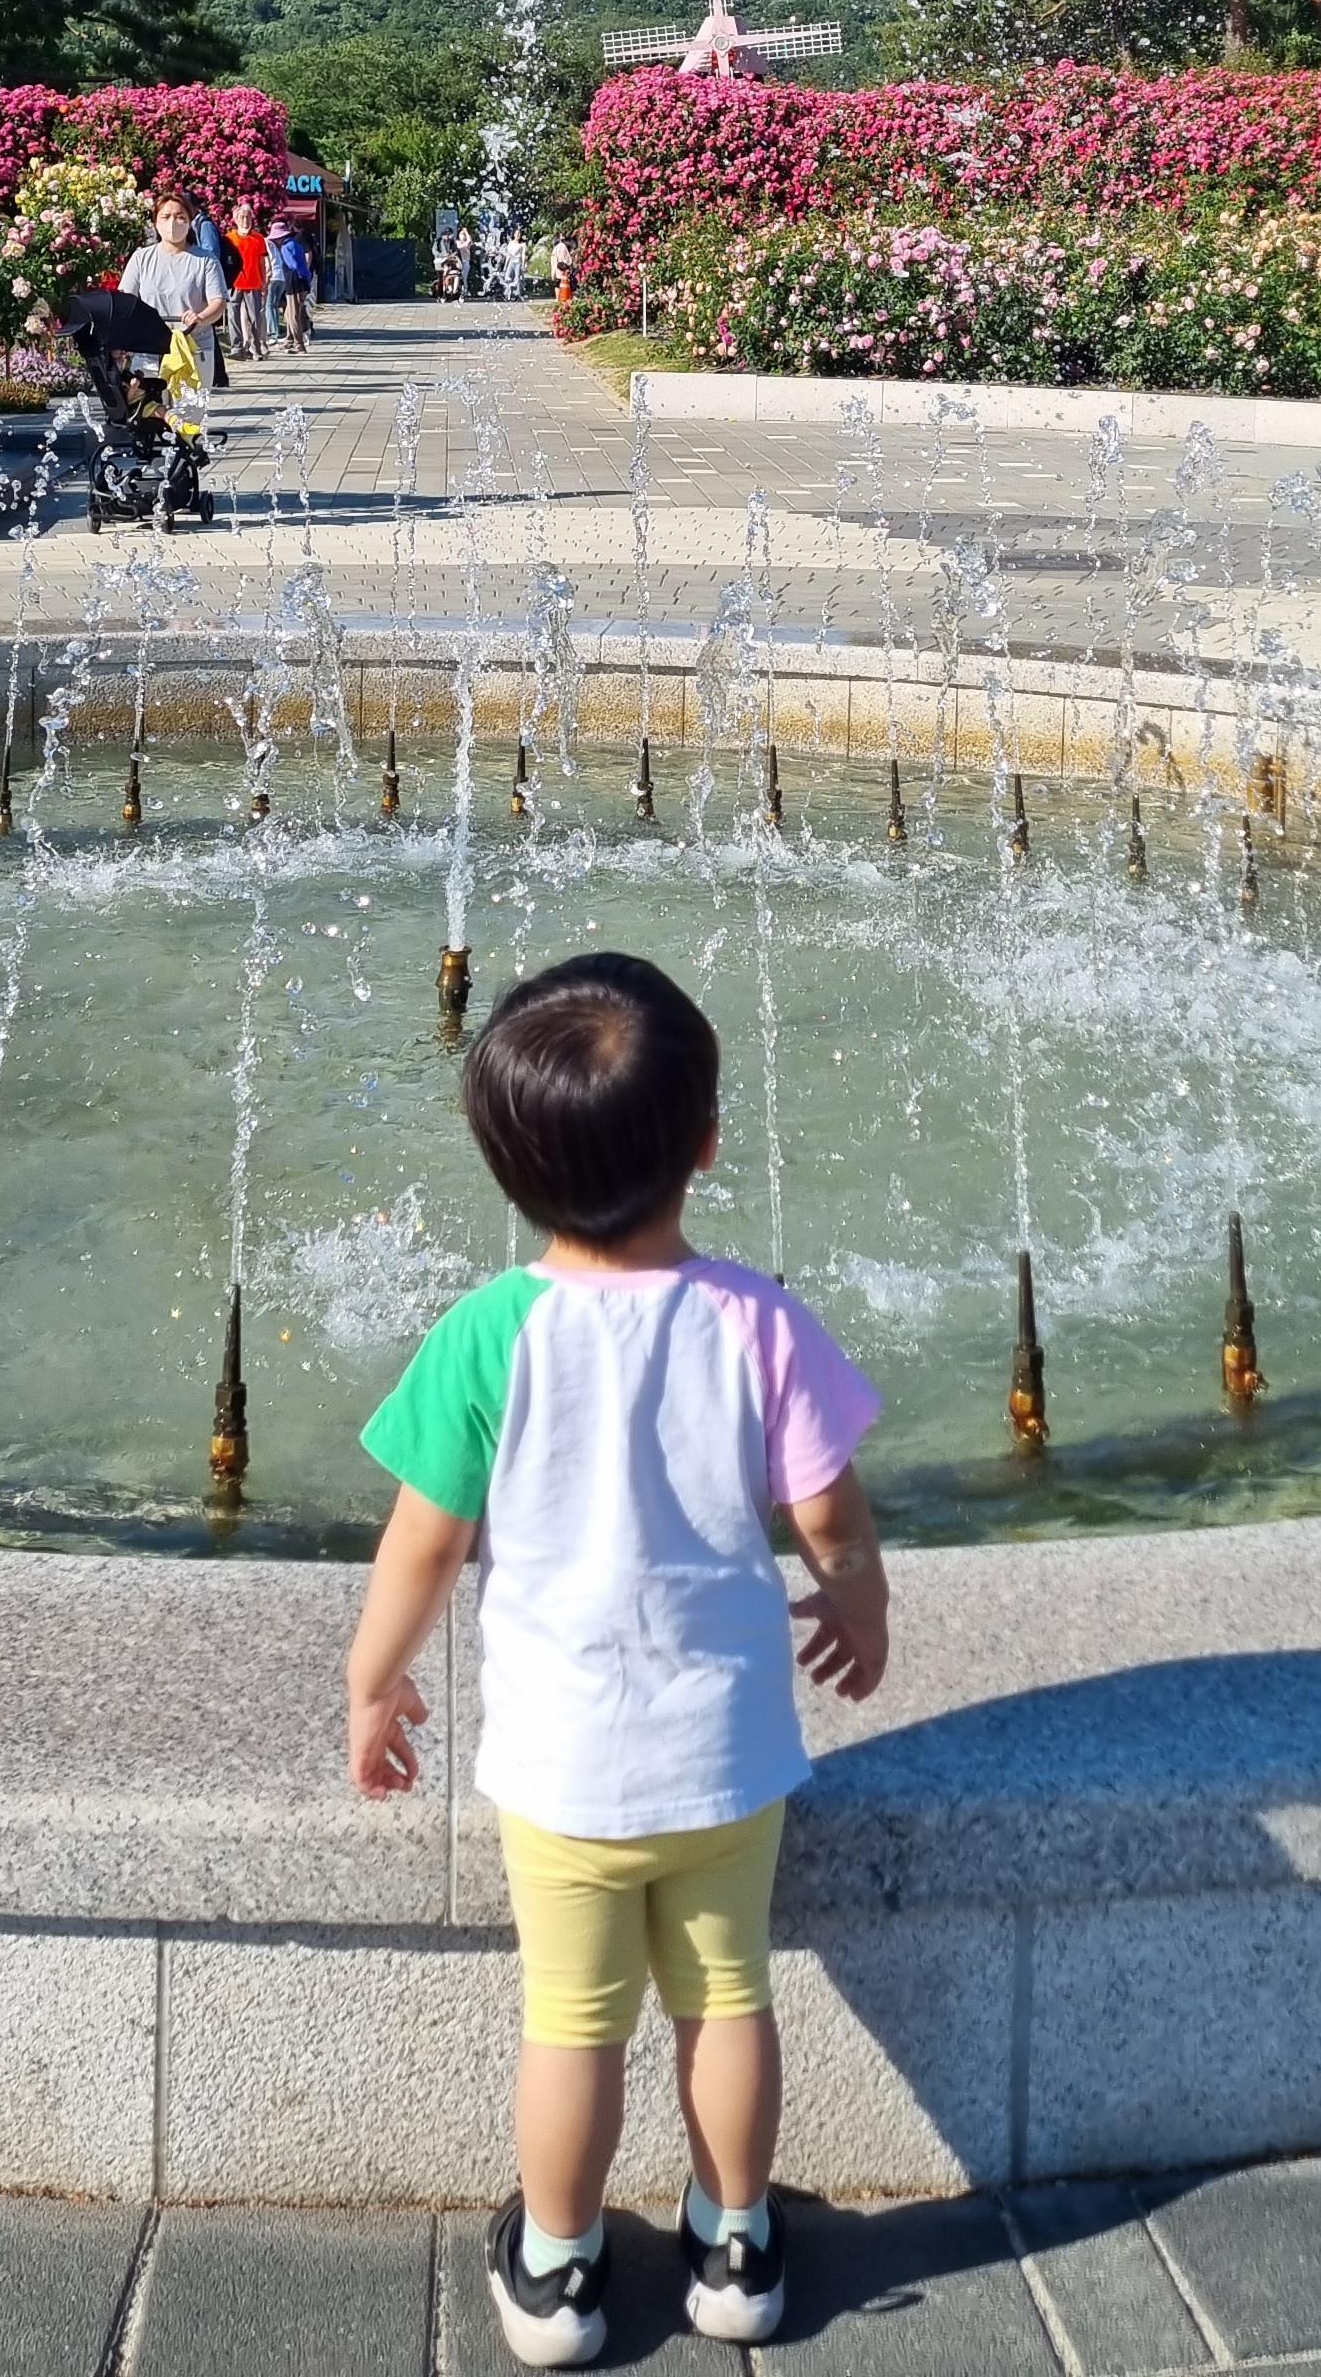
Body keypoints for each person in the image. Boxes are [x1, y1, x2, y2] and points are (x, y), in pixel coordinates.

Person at [347, 953, 887, 2360]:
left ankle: (560, 2268)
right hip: (726, 1758)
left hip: (563, 1770)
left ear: (504, 1166)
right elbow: (828, 1511)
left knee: (572, 2025)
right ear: (706, 1143)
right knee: (726, 2002)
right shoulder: (757, 1321)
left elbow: (421, 1547)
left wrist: (372, 1679)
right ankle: (736, 2246)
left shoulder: (485, 1337)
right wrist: (859, 1603)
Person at [116, 193, 227, 432]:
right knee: (148, 417)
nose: (173, 223)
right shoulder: (142, 258)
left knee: (188, 424)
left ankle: (184, 464)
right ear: (156, 221)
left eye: (180, 216)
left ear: (189, 220)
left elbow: (218, 302)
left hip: (193, 350)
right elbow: (125, 300)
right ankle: (157, 466)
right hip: (149, 351)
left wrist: (200, 318)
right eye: (166, 216)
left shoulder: (204, 260)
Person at [187, 197, 232, 382]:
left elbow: (212, 252)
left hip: (206, 283)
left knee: (205, 326)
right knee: (205, 328)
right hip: (199, 282)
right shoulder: (196, 224)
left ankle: (218, 375)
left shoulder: (203, 225)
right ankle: (217, 375)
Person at [223, 199, 271, 362]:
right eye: (242, 217)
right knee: (233, 316)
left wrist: (265, 282)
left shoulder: (258, 239)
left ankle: (256, 348)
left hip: (254, 282)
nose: (245, 221)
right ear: (235, 220)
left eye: (248, 217)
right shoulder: (229, 238)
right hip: (234, 283)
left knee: (255, 317)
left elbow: (263, 263)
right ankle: (237, 347)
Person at [270, 210, 316, 352]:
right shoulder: (294, 243)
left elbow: (293, 265)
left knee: (293, 314)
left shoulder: (286, 247)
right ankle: (290, 339)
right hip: (301, 281)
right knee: (289, 312)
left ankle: (299, 344)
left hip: (293, 282)